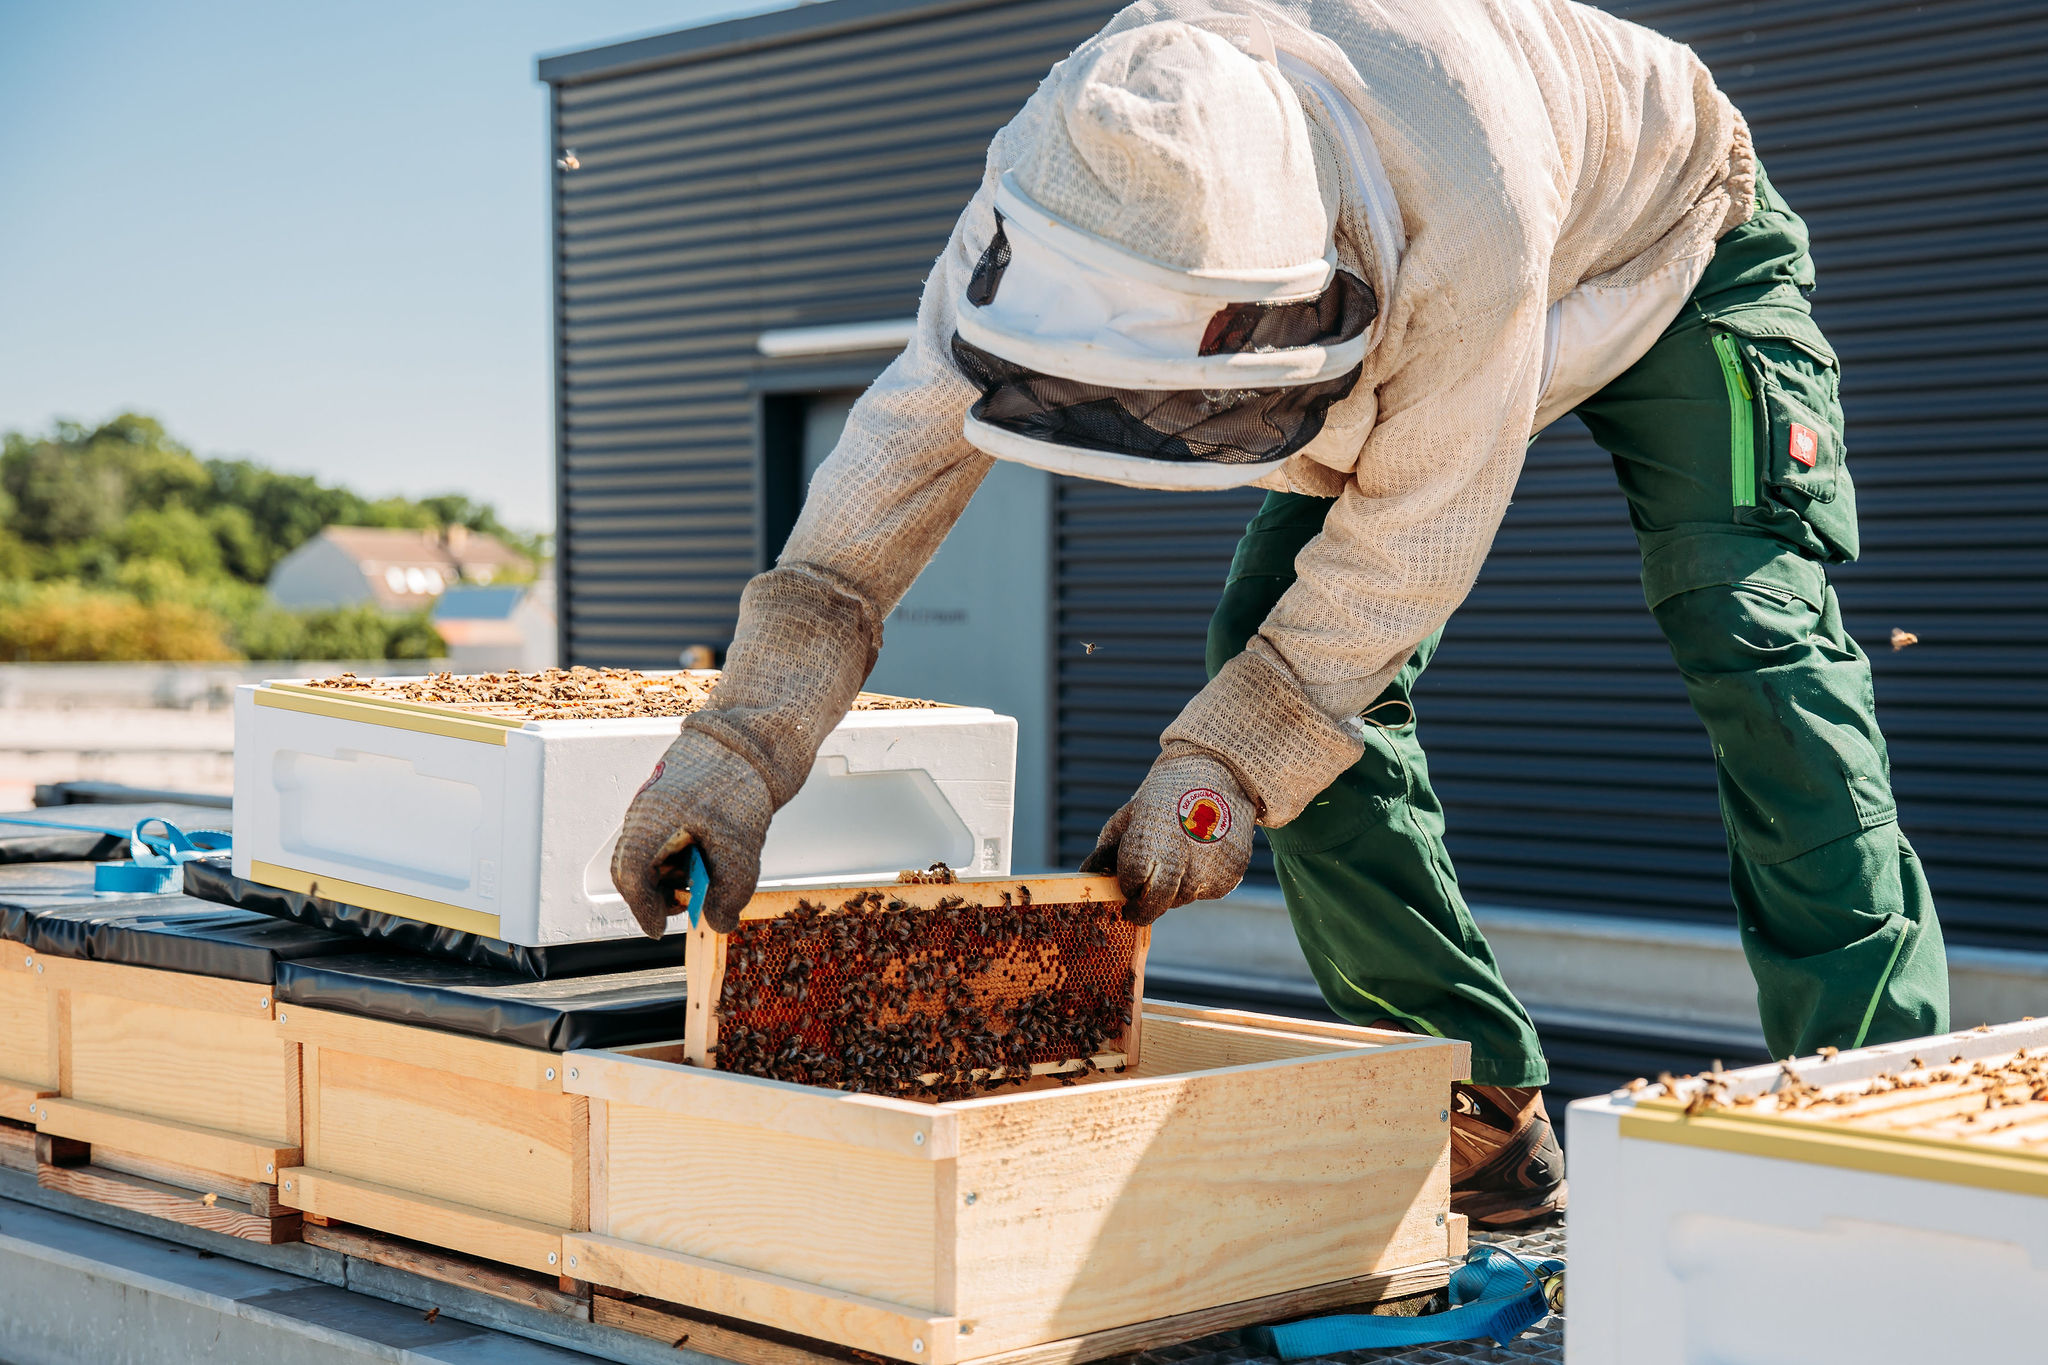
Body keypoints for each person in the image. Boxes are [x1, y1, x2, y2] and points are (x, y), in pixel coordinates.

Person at [611, 0, 1949, 1227]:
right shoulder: (1056, 179)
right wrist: (740, 741)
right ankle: (1478, 1093)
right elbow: (883, 487)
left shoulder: (1463, 188)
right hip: (1453, 308)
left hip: (1673, 241)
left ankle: (1883, 1099)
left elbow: (1408, 551)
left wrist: (1218, 765)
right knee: (1256, 643)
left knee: (1746, 623)